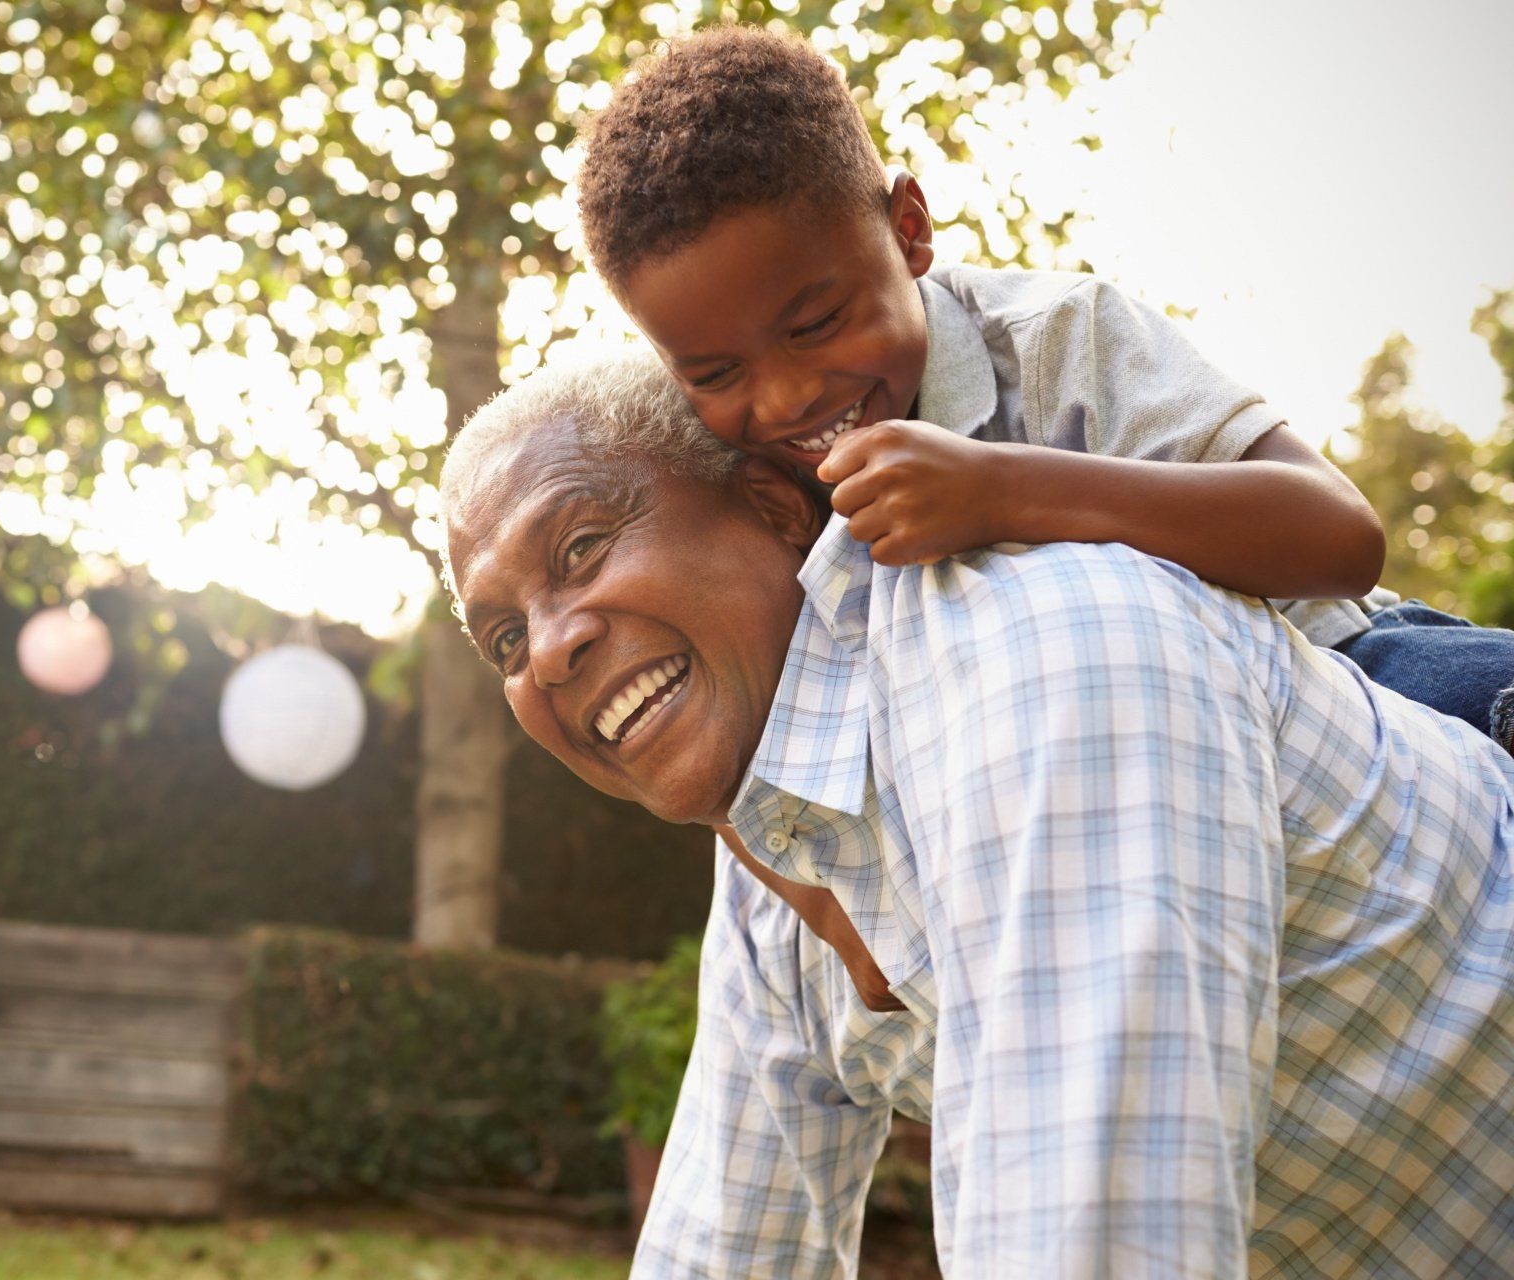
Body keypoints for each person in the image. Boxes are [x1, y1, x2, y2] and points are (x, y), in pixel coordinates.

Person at [439, 347, 1514, 1277]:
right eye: (504, 640)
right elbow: (723, 1246)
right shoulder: (779, 871)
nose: (550, 650)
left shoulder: (1048, 653)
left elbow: (1091, 1245)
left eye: (580, 548)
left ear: (774, 508)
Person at [575, 24, 1514, 752]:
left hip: (1354, 674)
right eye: (715, 372)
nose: (783, 401)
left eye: (816, 323)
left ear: (908, 230)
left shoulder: (1055, 336)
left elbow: (1340, 538)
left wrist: (1004, 491)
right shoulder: (745, 483)